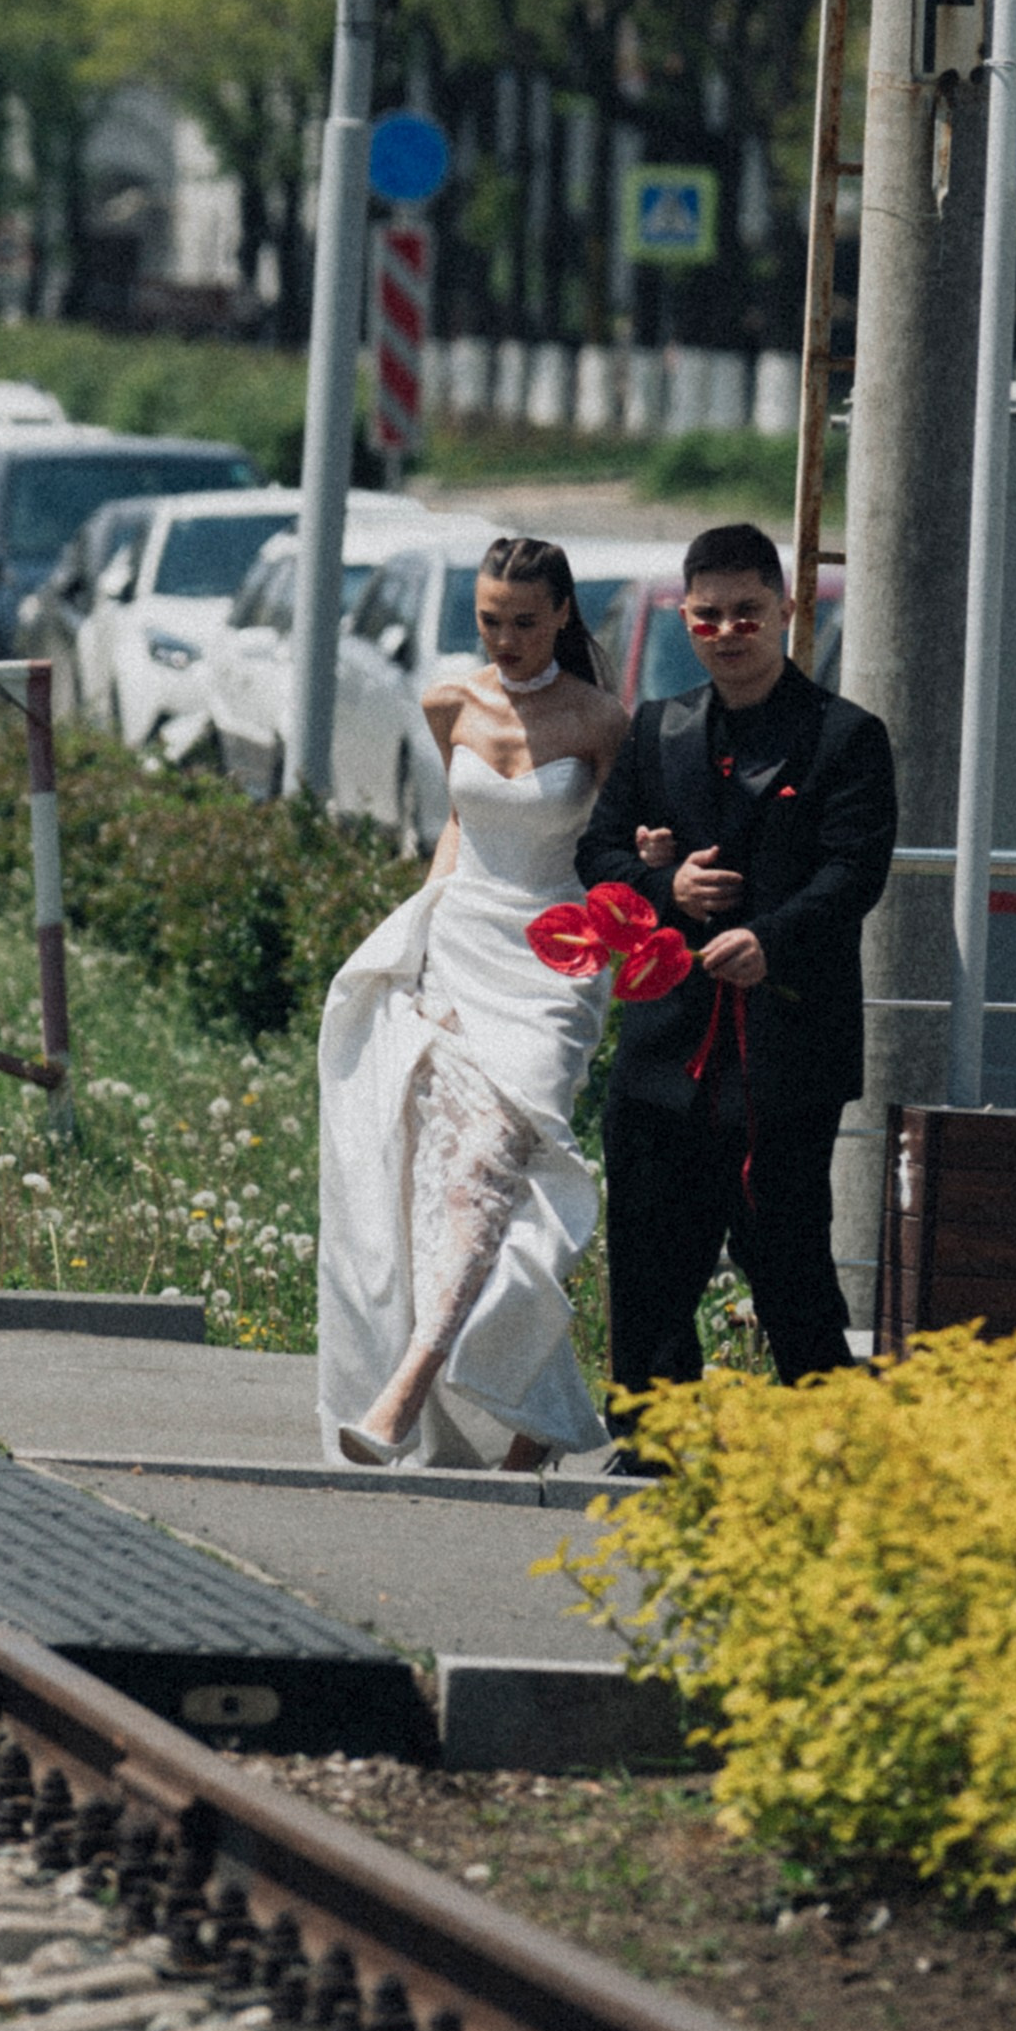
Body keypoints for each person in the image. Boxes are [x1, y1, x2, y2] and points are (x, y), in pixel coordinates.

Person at [316, 535, 630, 1469]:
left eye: (525, 623)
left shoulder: (600, 722)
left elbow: (608, 855)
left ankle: (406, 1392)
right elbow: (459, 823)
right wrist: (416, 940)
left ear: (563, 615)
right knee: (441, 1178)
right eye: (489, 620)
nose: (505, 639)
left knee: (489, 1165)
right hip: (456, 948)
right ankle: (536, 1417)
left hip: (553, 968)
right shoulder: (447, 699)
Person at [574, 519, 896, 1424]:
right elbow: (597, 854)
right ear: (684, 618)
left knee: (789, 1262)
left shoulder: (847, 737)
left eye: (746, 614)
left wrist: (773, 940)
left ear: (784, 610)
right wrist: (662, 883)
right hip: (663, 1049)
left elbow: (852, 872)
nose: (726, 633)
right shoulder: (654, 729)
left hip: (784, 1057)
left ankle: (827, 1447)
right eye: (706, 616)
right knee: (647, 1264)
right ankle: (647, 1441)